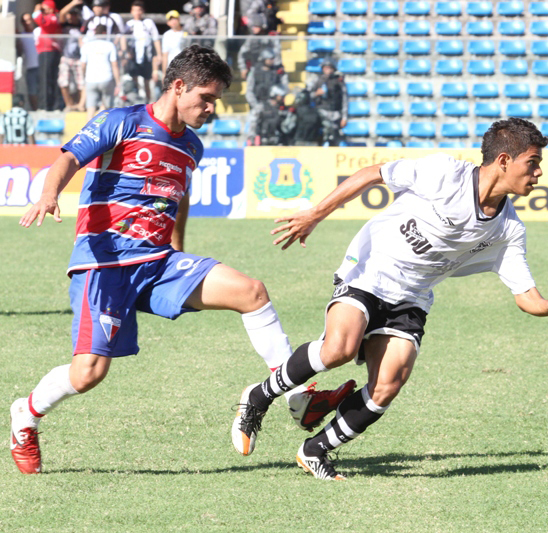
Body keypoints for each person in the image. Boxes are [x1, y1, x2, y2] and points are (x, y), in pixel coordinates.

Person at [10, 45, 354, 475]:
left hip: (159, 262)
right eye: (206, 98)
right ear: (178, 86)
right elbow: (68, 159)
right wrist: (48, 194)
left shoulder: (191, 145)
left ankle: (297, 398)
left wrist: (177, 244)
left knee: (252, 293)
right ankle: (25, 415)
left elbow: (179, 195)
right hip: (105, 264)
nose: (212, 108)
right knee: (88, 374)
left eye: (216, 100)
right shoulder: (122, 121)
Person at [232, 118, 548, 480]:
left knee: (388, 384)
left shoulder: (509, 230)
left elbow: (526, 296)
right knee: (338, 347)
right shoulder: (445, 173)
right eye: (533, 162)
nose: (539, 172)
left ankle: (315, 450)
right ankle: (259, 397)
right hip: (371, 269)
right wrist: (315, 214)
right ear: (505, 161)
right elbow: (374, 173)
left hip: (413, 296)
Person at [245, 49, 288, 140]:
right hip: (259, 103)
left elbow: (284, 88)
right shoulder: (255, 71)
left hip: (275, 103)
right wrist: (256, 105)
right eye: (270, 59)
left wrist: (277, 100)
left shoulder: (277, 72)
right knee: (254, 116)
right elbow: (249, 91)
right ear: (264, 59)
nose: (272, 61)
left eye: (273, 59)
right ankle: (252, 139)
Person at [80, 24, 120, 118]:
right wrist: (118, 82)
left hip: (90, 79)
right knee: (105, 107)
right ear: (105, 33)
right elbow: (114, 65)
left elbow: (83, 64)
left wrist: (84, 77)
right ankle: (100, 127)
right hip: (106, 78)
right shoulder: (110, 45)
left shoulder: (87, 46)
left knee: (90, 107)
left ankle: (88, 129)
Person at [306, 59, 348, 146]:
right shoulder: (317, 80)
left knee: (334, 137)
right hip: (321, 113)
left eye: (330, 68)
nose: (328, 70)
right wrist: (316, 93)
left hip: (335, 114)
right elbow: (306, 95)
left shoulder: (339, 81)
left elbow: (344, 99)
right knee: (320, 137)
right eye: (326, 68)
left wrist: (344, 117)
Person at [126, 0, 162, 102]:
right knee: (134, 79)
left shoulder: (148, 23)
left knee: (147, 80)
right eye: (135, 10)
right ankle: (136, 100)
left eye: (139, 10)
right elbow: (123, 39)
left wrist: (159, 54)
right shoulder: (129, 24)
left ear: (143, 11)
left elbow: (155, 39)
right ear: (131, 11)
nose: (137, 12)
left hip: (147, 56)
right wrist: (126, 52)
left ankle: (148, 101)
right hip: (134, 56)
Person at [32, 0, 62, 111]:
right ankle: (48, 104)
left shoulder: (53, 18)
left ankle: (46, 105)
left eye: (44, 9)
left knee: (47, 79)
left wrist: (36, 10)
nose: (42, 11)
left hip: (49, 51)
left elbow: (40, 20)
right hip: (44, 52)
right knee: (45, 79)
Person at [57, 1, 86, 111]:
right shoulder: (65, 25)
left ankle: (80, 104)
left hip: (79, 58)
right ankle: (69, 105)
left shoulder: (82, 26)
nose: (71, 17)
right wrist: (73, 3)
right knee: (63, 82)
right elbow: (62, 13)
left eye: (74, 14)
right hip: (66, 57)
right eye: (70, 14)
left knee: (81, 83)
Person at [16, 13, 39, 111]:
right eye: (25, 21)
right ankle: (35, 109)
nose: (28, 22)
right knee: (32, 90)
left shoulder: (38, 32)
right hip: (30, 67)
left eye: (29, 19)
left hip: (43, 66)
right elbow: (19, 52)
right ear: (22, 23)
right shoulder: (21, 36)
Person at [161, 10, 186, 79]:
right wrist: (164, 73)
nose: (173, 21)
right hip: (171, 68)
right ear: (168, 23)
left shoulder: (186, 33)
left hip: (185, 67)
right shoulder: (166, 35)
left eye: (175, 18)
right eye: (171, 19)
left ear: (179, 20)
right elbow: (165, 54)